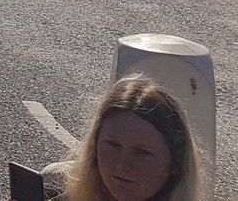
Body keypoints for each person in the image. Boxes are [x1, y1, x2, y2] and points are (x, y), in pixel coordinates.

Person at [41, 74, 202, 201]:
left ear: (176, 161)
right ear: (95, 148)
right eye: (112, 145)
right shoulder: (57, 189)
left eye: (141, 152)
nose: (121, 165)